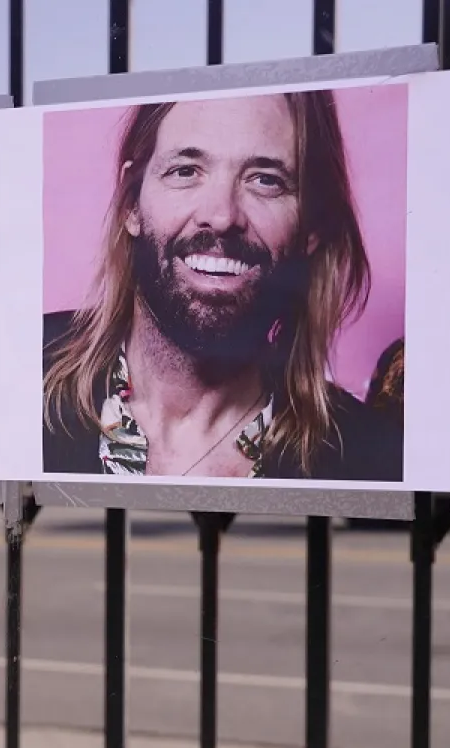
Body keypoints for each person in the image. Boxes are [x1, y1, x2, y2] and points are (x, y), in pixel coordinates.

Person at [42, 92, 403, 481]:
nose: (221, 215)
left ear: (311, 228)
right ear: (132, 203)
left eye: (266, 180)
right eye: (186, 171)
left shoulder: (371, 461)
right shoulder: (10, 375)